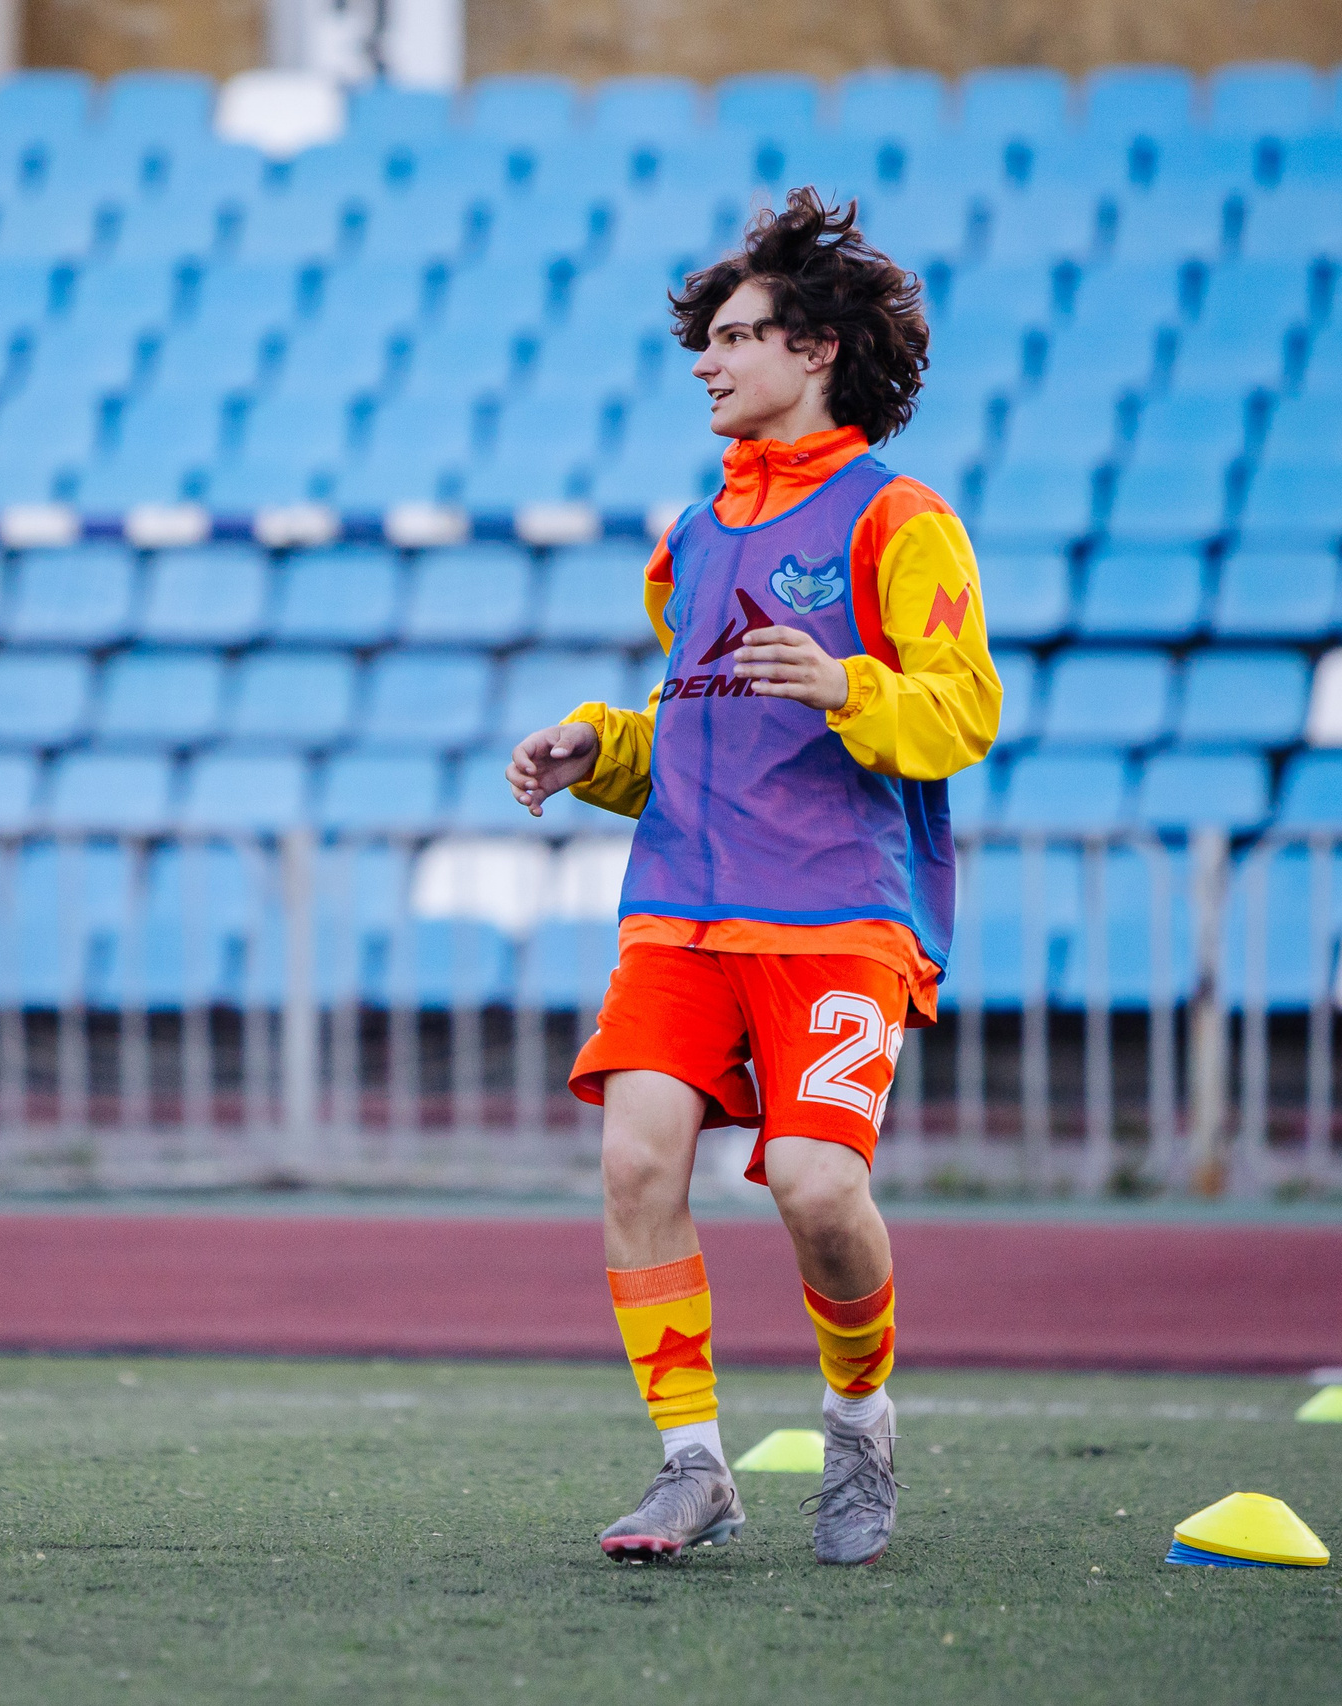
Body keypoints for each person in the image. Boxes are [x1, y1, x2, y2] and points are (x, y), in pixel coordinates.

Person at [506, 189, 999, 1566]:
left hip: (838, 914)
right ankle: (693, 1464)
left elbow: (961, 711)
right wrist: (594, 748)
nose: (709, 362)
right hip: (678, 911)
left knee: (818, 1190)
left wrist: (851, 683)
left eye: (737, 336)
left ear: (818, 348)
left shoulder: (900, 522)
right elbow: (698, 726)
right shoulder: (693, 533)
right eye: (705, 341)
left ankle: (859, 1424)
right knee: (634, 1161)